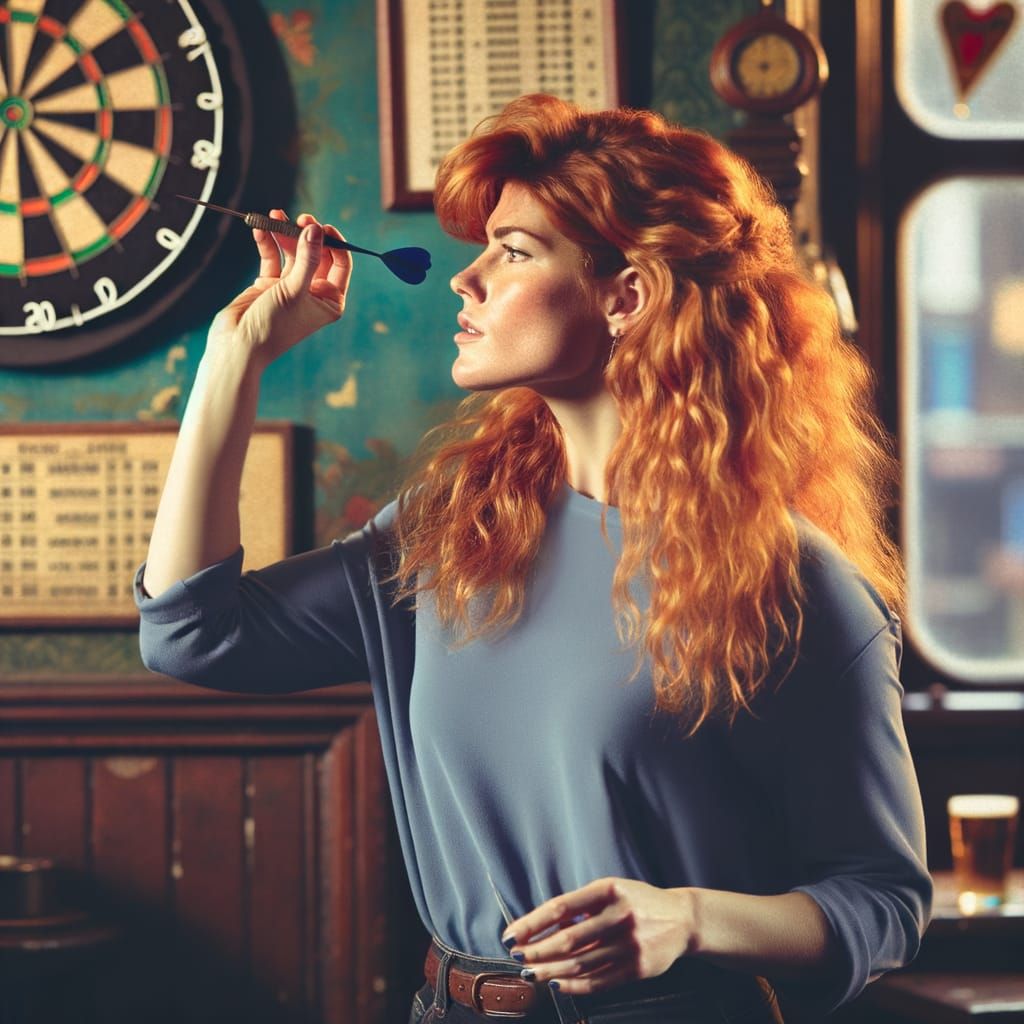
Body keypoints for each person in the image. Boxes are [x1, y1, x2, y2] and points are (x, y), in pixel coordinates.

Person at [136, 94, 932, 1024]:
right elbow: (192, 634)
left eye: (513, 250)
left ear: (625, 295)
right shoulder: (455, 530)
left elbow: (884, 899)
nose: (464, 280)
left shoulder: (797, 587)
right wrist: (235, 358)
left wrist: (690, 918)